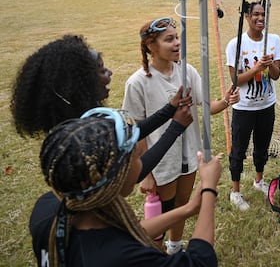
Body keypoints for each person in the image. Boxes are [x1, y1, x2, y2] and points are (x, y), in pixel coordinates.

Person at [31, 107, 222, 266]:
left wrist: (188, 209)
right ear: (118, 176)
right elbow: (199, 261)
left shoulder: (47, 209)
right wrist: (209, 190)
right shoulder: (123, 258)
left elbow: (125, 233)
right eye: (138, 156)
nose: (141, 163)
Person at [123, 17, 238, 254]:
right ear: (150, 45)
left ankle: (174, 247)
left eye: (177, 38)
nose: (177, 43)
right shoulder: (138, 83)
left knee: (181, 206)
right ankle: (156, 254)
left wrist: (226, 101)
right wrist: (146, 173)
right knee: (163, 214)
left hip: (189, 154)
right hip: (161, 162)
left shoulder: (188, 71)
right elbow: (137, 131)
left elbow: (206, 106)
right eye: (169, 39)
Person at [10, 34, 194, 182]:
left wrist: (170, 109)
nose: (110, 72)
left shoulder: (81, 122)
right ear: (77, 84)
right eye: (101, 69)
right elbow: (133, 173)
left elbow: (127, 132)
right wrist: (175, 128)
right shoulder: (86, 139)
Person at [225, 0, 280, 210]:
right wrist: (256, 68)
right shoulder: (236, 44)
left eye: (263, 14)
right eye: (256, 14)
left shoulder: (274, 40)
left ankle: (259, 181)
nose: (260, 18)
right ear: (247, 17)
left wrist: (269, 66)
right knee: (238, 150)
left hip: (267, 105)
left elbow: (276, 76)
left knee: (262, 147)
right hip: (244, 108)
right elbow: (235, 81)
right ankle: (236, 191)